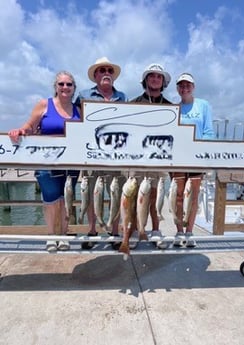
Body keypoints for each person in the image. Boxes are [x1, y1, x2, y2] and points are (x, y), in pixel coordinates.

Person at [8, 71, 81, 252]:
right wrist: (19, 131)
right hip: (46, 162)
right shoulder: (44, 105)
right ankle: (51, 236)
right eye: (61, 84)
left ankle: (63, 235)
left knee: (65, 199)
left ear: (74, 88)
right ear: (55, 87)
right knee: (50, 200)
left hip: (71, 163)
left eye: (69, 84)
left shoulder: (79, 109)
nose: (65, 87)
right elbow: (29, 127)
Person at [75, 57, 127, 250]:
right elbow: (76, 122)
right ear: (95, 75)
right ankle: (92, 230)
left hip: (116, 155)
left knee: (117, 194)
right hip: (92, 154)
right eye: (102, 70)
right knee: (90, 193)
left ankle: (115, 232)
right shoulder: (83, 95)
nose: (106, 73)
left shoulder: (122, 97)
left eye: (109, 70)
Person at [129, 63, 172, 248]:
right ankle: (134, 230)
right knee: (133, 197)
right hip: (136, 161)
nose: (155, 79)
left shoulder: (171, 107)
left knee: (155, 198)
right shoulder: (133, 103)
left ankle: (155, 230)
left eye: (159, 76)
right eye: (152, 75)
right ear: (145, 79)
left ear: (163, 82)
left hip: (158, 160)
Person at [171, 72, 214, 247]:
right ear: (177, 89)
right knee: (178, 196)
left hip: (197, 158)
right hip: (179, 158)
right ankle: (179, 231)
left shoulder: (203, 105)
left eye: (187, 85)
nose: (184, 88)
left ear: (193, 87)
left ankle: (189, 232)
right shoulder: (175, 108)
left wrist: (202, 151)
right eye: (181, 85)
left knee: (193, 196)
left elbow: (209, 131)